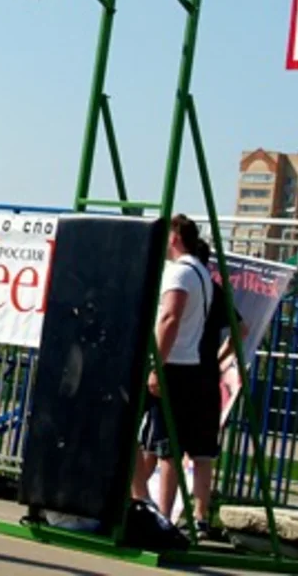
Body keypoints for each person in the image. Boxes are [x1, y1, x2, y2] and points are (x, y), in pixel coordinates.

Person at [130, 215, 220, 537]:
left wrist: (157, 364)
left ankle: (153, 509)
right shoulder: (202, 273)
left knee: (161, 443)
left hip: (172, 363)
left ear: (175, 236)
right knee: (164, 443)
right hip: (186, 362)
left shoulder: (181, 272)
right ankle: (145, 503)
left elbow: (170, 316)